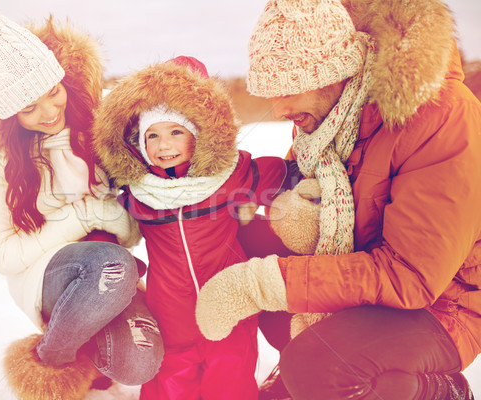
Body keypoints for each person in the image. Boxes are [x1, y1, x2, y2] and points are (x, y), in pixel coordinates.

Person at [195, 0, 481, 399]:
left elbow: (411, 277)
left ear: (334, 73)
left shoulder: (442, 117)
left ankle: (435, 389)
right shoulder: (327, 122)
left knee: (315, 366)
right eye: (272, 93)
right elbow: (298, 199)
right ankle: (302, 365)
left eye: (290, 89)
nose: (278, 109)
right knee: (240, 239)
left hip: (441, 307)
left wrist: (262, 284)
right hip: (367, 274)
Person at [0, 1, 163, 399]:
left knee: (140, 362)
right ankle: (51, 358)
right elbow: (1, 255)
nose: (49, 113)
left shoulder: (98, 123)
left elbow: (134, 223)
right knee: (110, 265)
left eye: (53, 92)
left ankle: (89, 334)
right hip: (43, 272)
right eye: (28, 108)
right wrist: (80, 217)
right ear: (8, 115)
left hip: (113, 262)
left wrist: (110, 215)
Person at [91, 56, 303, 399]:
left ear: (199, 134)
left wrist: (307, 184)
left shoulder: (230, 174)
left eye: (176, 132)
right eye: (153, 135)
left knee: (230, 382)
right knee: (173, 384)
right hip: (172, 314)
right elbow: (107, 220)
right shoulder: (140, 192)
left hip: (229, 307)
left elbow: (283, 174)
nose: (164, 145)